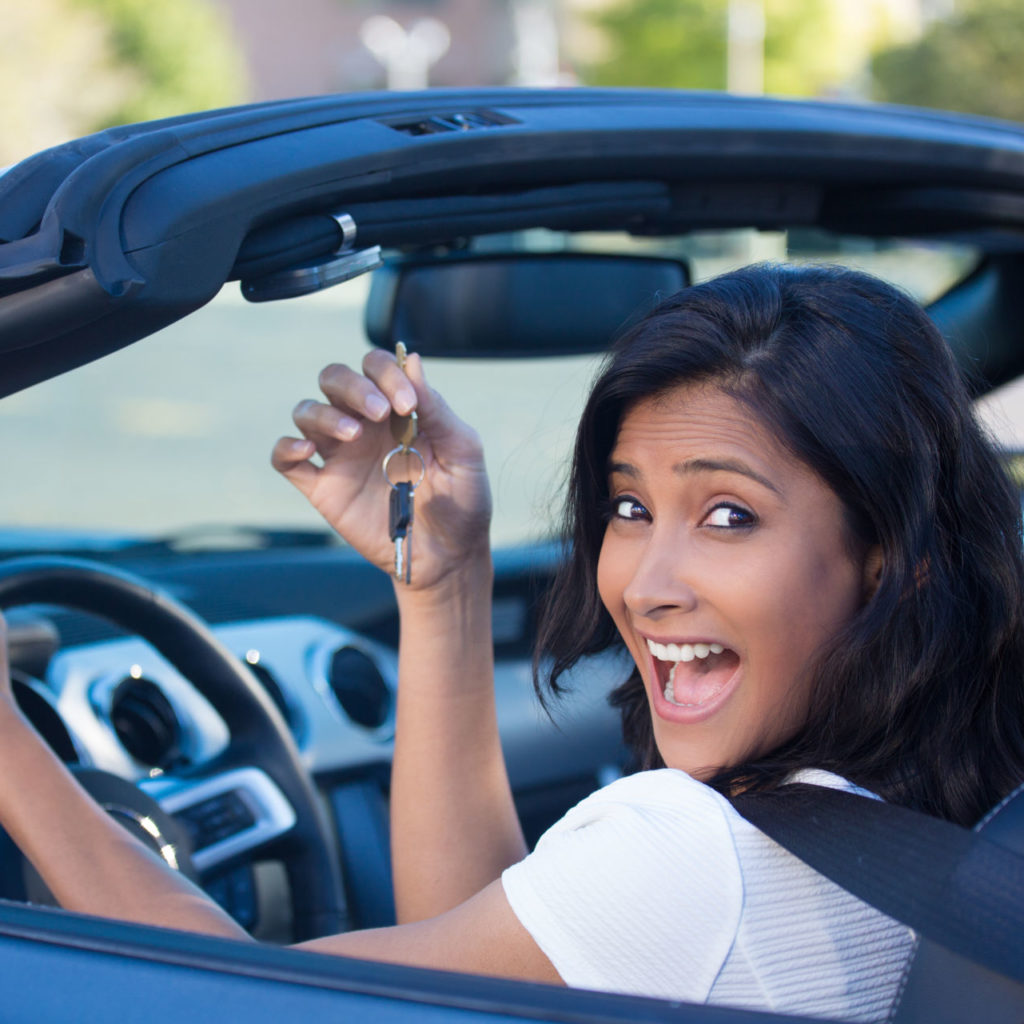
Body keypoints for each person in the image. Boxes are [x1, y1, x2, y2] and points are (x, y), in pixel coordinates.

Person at [0, 263, 1022, 1023]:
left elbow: (219, 1007)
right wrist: (444, 584)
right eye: (629, 506)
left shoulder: (699, 853)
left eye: (726, 516)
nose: (646, 585)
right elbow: (484, 981)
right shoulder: (946, 817)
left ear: (889, 558)